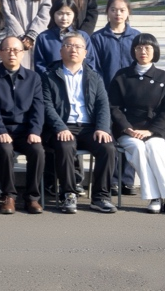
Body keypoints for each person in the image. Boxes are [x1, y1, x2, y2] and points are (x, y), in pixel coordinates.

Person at [108, 34, 165, 215]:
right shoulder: (122, 76)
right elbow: (114, 107)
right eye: (138, 48)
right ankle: (155, 198)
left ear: (155, 51)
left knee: (154, 148)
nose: (142, 51)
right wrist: (127, 128)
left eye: (147, 48)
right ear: (133, 51)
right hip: (128, 130)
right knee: (137, 148)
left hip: (156, 130)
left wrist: (151, 131)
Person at [41, 32, 118, 214]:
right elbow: (46, 105)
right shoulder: (49, 76)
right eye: (68, 45)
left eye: (78, 46)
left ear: (85, 52)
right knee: (65, 146)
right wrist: (60, 127)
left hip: (89, 127)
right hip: (62, 126)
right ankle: (68, 194)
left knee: (108, 147)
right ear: (61, 51)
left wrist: (102, 128)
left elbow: (102, 104)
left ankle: (100, 197)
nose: (73, 49)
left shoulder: (94, 76)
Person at [0, 36, 46, 214]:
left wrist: (35, 131)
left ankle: (32, 198)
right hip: (0, 130)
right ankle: (9, 196)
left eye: (16, 50)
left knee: (38, 150)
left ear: (23, 53)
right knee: (5, 149)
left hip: (25, 130)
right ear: (0, 53)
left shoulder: (33, 78)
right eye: (7, 50)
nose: (12, 54)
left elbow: (38, 107)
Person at [90, 0, 141, 83]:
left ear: (128, 12)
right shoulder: (97, 38)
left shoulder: (136, 36)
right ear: (107, 11)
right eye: (113, 10)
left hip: (132, 87)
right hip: (106, 87)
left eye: (122, 10)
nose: (118, 13)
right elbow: (94, 67)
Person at [33, 0, 93, 71]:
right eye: (60, 13)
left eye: (68, 14)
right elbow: (39, 65)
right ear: (53, 14)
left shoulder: (83, 36)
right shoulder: (43, 38)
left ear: (74, 15)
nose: (64, 18)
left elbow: (90, 62)